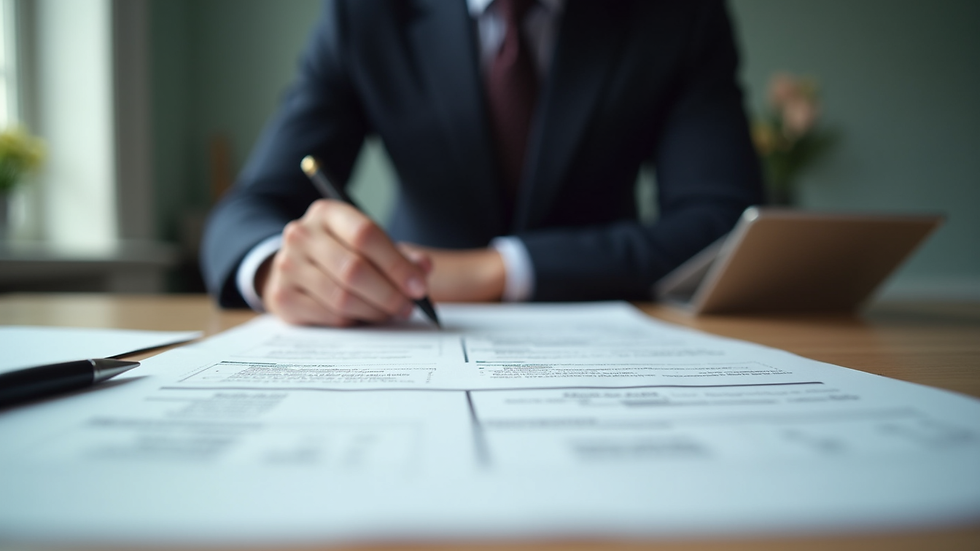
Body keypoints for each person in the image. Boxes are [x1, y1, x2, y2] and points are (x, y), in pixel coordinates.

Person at [201, 0, 764, 326]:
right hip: (405, 329)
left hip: (613, 326)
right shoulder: (364, 13)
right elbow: (250, 205)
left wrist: (496, 270)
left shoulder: (679, 15)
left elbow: (721, 222)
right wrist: (279, 265)